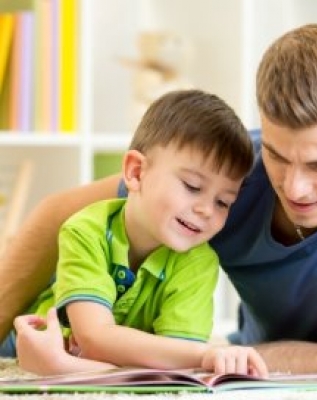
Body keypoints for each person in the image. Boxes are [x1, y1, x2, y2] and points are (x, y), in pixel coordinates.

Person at [2, 23, 317, 374]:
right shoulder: (231, 174)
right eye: (278, 155)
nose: (293, 188)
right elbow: (58, 212)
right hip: (249, 358)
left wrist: (210, 360)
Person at [7, 89, 267, 377]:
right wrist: (207, 354)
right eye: (193, 186)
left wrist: (71, 367)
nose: (207, 210)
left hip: (69, 357)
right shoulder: (85, 230)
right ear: (135, 172)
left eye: (223, 202)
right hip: (31, 339)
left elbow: (177, 362)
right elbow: (94, 338)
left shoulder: (199, 261)